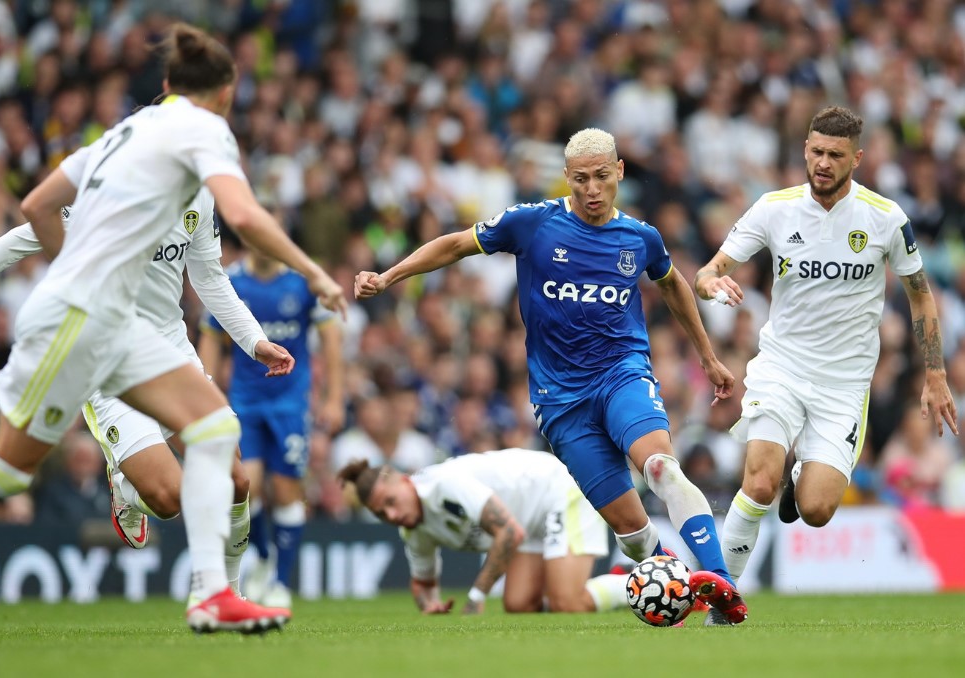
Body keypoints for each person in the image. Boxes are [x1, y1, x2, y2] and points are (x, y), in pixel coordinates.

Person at [0, 23, 346, 636]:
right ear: (225, 94)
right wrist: (315, 271)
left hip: (148, 336)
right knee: (8, 468)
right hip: (81, 324)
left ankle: (214, 593)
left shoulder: (122, 143)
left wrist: (254, 340)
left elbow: (198, 272)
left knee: (218, 439)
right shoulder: (201, 132)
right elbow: (241, 213)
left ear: (167, 85)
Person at [355, 127, 747, 625]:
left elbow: (673, 286)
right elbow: (455, 244)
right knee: (629, 529)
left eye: (602, 177)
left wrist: (708, 358)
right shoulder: (531, 224)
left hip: (621, 373)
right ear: (566, 178)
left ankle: (721, 586)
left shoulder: (641, 237)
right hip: (560, 400)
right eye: (580, 179)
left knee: (660, 468)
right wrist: (388, 277)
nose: (591, 189)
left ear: (619, 172)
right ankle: (674, 579)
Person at [0, 186, 285, 598]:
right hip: (108, 364)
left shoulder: (197, 195)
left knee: (234, 478)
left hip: (172, 355)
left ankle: (229, 597)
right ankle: (125, 486)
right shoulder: (110, 187)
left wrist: (255, 342)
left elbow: (211, 281)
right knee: (168, 499)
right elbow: (23, 238)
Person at [695, 106, 958, 622]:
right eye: (815, 151)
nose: (822, 162)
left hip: (844, 384)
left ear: (856, 159)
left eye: (835, 155)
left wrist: (935, 372)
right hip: (781, 368)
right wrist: (708, 281)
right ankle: (720, 606)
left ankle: (801, 479)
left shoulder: (885, 218)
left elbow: (922, 296)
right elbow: (712, 267)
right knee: (759, 481)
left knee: (815, 510)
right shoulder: (775, 208)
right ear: (805, 151)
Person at [200, 244, 345, 609]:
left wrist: (333, 397)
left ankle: (281, 581)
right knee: (247, 485)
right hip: (245, 401)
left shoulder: (301, 283)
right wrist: (206, 393)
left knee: (285, 489)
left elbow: (330, 339)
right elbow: (211, 340)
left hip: (290, 403)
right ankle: (264, 559)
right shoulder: (230, 281)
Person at [338, 449, 629, 615]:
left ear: (404, 481)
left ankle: (633, 586)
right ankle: (596, 588)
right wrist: (431, 604)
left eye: (390, 502)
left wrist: (477, 596)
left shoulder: (444, 485)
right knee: (518, 605)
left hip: (558, 488)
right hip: (526, 520)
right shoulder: (412, 528)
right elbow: (423, 582)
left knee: (567, 602)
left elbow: (508, 534)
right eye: (380, 513)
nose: (391, 515)